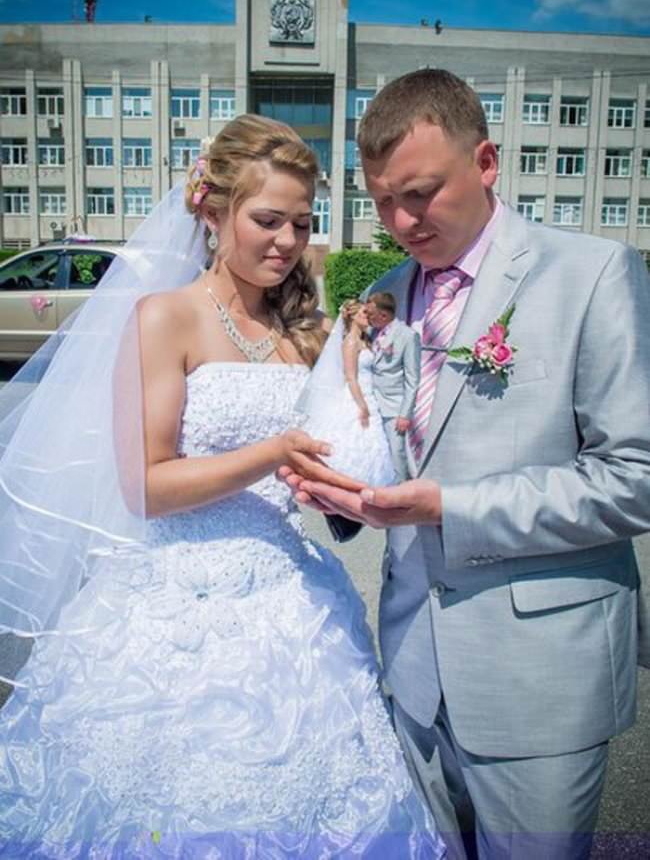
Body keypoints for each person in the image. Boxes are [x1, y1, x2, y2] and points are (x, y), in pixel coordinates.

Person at [0, 115, 445, 858]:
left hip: (291, 600)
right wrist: (272, 453)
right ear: (211, 212)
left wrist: (351, 463)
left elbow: (337, 449)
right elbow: (146, 485)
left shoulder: (306, 331)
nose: (288, 241)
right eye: (267, 220)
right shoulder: (163, 318)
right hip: (171, 610)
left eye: (302, 223)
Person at [281, 69, 650, 859]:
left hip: (539, 677)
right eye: (382, 200)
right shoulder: (384, 297)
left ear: (486, 162)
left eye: (419, 194)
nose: (399, 222)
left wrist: (450, 506)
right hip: (414, 667)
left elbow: (634, 477)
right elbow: (387, 445)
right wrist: (339, 490)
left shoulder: (592, 275)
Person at [300, 298, 396, 487]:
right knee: (358, 436)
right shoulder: (350, 342)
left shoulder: (366, 340)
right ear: (353, 317)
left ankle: (373, 478)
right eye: (364, 313)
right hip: (357, 395)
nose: (368, 316)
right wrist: (362, 405)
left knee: (373, 441)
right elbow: (351, 377)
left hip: (370, 393)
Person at [365, 291, 421, 481]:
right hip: (372, 403)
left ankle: (403, 490)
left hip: (394, 407)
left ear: (383, 315)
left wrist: (405, 413)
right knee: (380, 452)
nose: (367, 318)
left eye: (370, 314)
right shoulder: (371, 333)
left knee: (397, 453)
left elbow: (413, 379)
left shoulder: (408, 335)